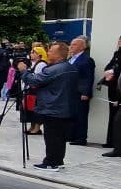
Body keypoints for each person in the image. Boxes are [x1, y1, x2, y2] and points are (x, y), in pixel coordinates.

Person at [18, 42, 78, 172]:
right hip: (64, 107)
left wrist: (24, 71)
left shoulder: (54, 69)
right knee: (60, 137)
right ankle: (58, 160)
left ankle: (51, 162)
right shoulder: (70, 67)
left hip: (53, 107)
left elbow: (34, 80)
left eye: (51, 51)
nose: (48, 53)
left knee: (52, 137)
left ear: (58, 54)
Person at [66, 36, 95, 145]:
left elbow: (88, 77)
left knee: (80, 116)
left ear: (82, 47)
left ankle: (80, 138)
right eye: (71, 44)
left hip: (80, 92)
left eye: (74, 45)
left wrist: (85, 92)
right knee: (72, 114)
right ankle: (71, 135)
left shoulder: (86, 60)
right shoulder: (71, 58)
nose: (71, 46)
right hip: (70, 92)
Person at [22, 45, 48, 135]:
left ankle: (36, 127)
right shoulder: (33, 63)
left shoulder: (41, 64)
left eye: (34, 52)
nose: (31, 54)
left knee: (35, 109)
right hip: (31, 89)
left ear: (39, 54)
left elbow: (36, 77)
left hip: (36, 90)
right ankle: (32, 126)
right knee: (30, 109)